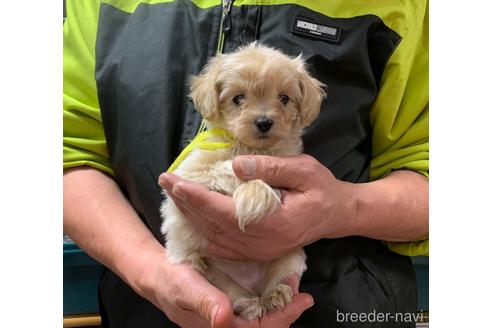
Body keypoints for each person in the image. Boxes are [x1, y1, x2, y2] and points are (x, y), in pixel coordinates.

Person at [63, 1, 429, 327]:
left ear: (304, 103)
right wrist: (153, 273)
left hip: (347, 304)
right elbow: (67, 155)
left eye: (284, 99)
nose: (265, 116)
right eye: (240, 98)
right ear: (215, 102)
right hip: (146, 308)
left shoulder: (408, 7)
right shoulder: (95, 6)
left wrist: (342, 208)